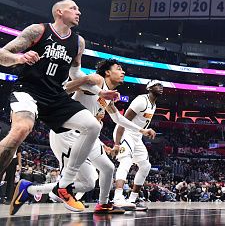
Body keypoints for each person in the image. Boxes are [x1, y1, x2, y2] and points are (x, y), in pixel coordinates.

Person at [0, 0, 118, 212]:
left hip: (56, 96)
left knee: (92, 126)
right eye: (73, 8)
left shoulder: (78, 42)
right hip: (28, 90)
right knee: (21, 130)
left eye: (79, 9)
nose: (78, 12)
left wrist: (100, 91)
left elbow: (75, 74)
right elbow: (2, 55)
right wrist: (19, 57)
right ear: (59, 12)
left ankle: (63, 186)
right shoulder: (39, 30)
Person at [10, 59, 156, 215]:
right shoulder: (97, 82)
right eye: (119, 69)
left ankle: (103, 204)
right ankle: (30, 189)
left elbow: (118, 119)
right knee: (84, 183)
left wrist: (141, 130)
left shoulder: (106, 94)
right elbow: (64, 88)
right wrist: (85, 79)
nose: (123, 72)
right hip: (67, 133)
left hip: (87, 135)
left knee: (107, 169)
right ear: (107, 72)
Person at [112, 80, 163, 211]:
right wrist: (117, 144)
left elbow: (140, 123)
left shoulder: (154, 105)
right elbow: (122, 121)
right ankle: (117, 198)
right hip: (125, 133)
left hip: (137, 136)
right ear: (149, 88)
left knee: (146, 166)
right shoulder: (141, 101)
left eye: (162, 86)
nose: (161, 87)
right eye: (158, 85)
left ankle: (132, 200)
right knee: (126, 162)